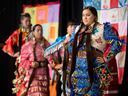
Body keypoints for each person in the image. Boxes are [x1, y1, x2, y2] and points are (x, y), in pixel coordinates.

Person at [67, 6, 124, 96]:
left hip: (95, 68)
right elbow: (70, 46)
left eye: (88, 15)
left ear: (95, 16)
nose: (85, 17)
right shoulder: (77, 29)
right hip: (79, 70)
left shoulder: (102, 28)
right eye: (83, 15)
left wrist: (107, 58)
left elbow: (117, 44)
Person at [20, 24, 60, 96]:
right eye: (37, 30)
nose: (40, 32)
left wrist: (55, 67)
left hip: (44, 76)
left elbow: (51, 57)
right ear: (33, 32)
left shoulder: (46, 44)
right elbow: (22, 61)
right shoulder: (27, 45)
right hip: (33, 75)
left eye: (41, 30)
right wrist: (30, 64)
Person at [2, 13, 32, 96]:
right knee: (22, 84)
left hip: (32, 61)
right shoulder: (18, 33)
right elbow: (7, 43)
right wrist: (13, 53)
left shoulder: (33, 32)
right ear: (21, 21)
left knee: (32, 84)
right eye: (26, 21)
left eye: (29, 21)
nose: (28, 23)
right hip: (22, 63)